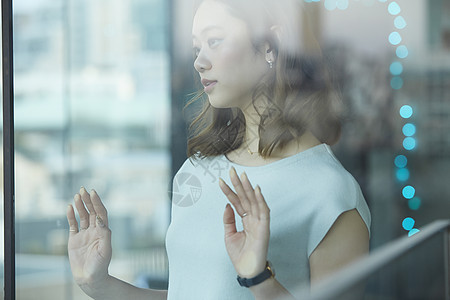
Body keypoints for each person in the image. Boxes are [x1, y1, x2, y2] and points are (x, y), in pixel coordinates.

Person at [66, 0, 371, 299]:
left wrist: (259, 280)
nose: (199, 61)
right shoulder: (196, 170)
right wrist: (100, 285)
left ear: (270, 44)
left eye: (215, 40)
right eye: (197, 47)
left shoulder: (330, 193)